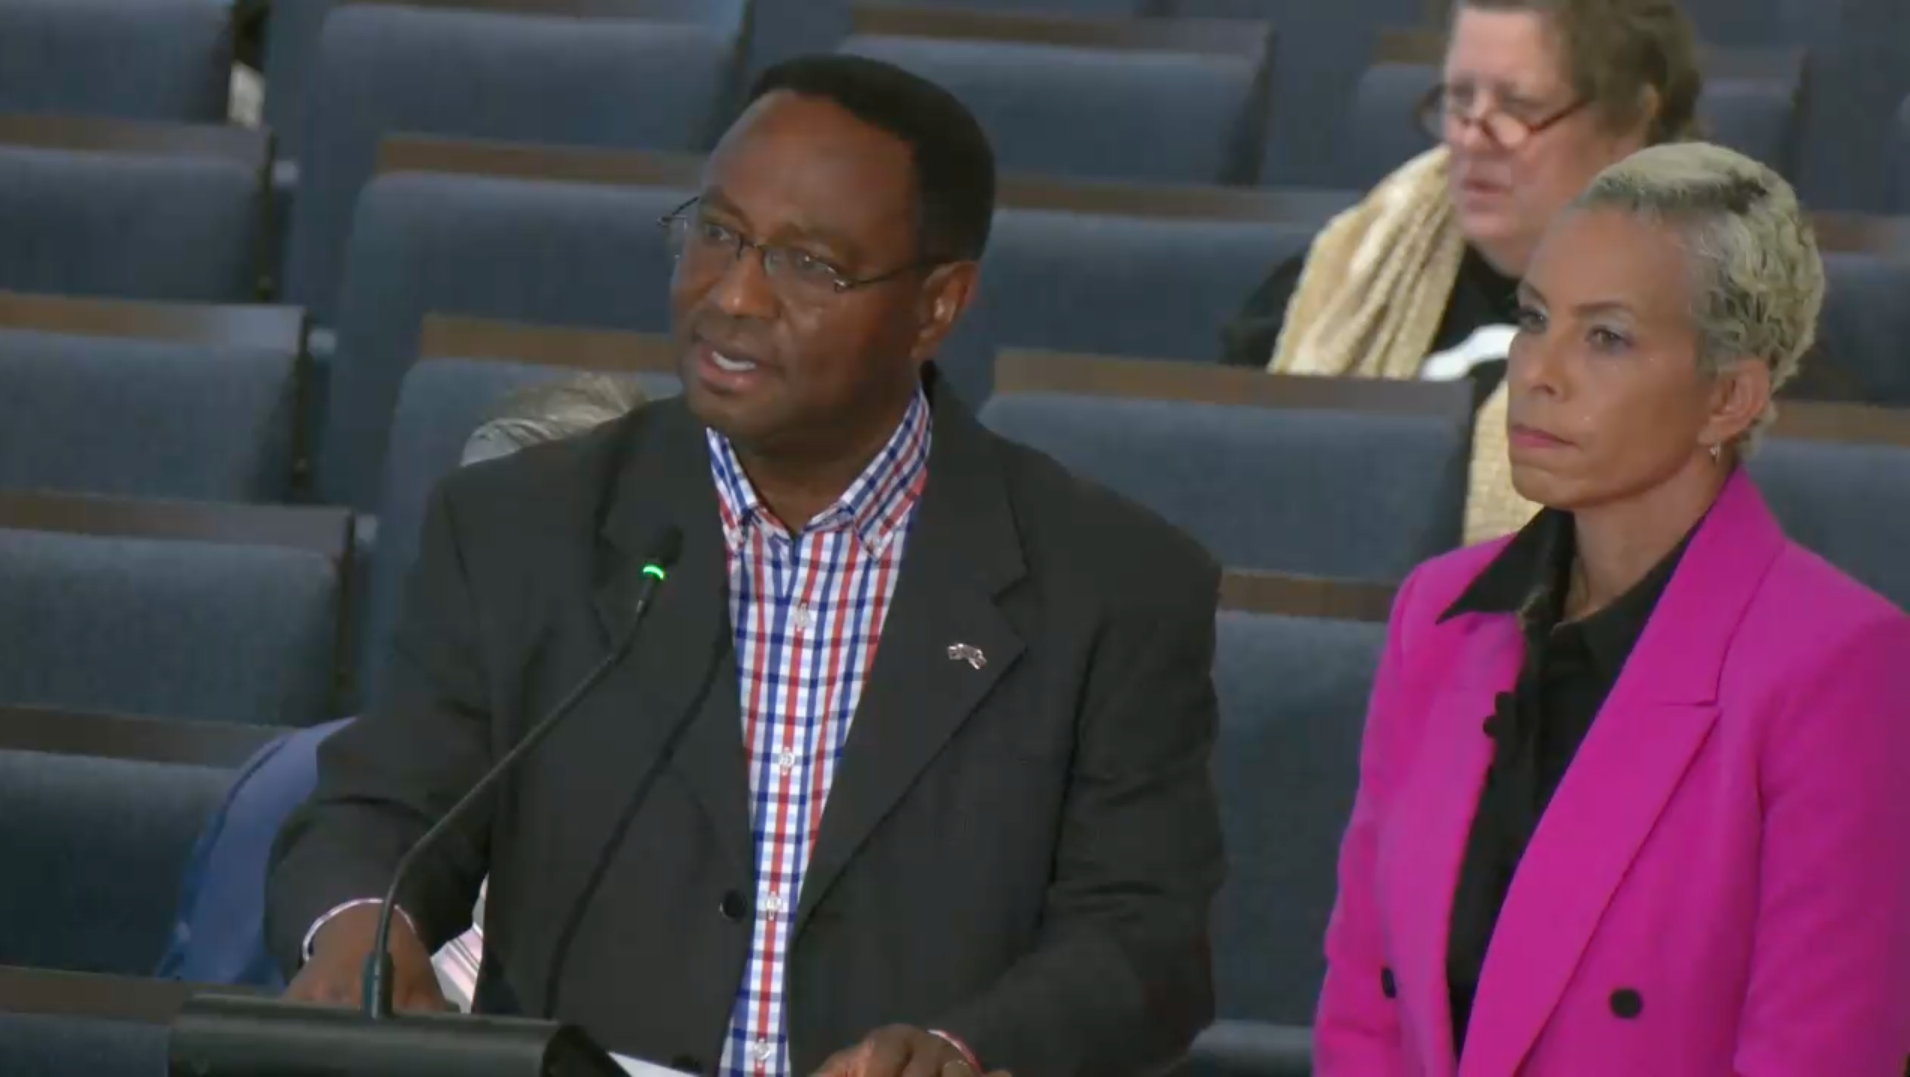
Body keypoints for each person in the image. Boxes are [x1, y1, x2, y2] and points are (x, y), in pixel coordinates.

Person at [266, 53, 1224, 1077]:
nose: (731, 297)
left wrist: (963, 1052)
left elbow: (1140, 943)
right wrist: (366, 922)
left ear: (936, 306)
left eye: (807, 265)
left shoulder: (1111, 585)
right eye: (717, 234)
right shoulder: (519, 527)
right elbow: (386, 811)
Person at [1314, 141, 1910, 1076]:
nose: (1538, 371)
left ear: (1729, 396)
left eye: (1607, 336)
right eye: (1535, 318)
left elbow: (1818, 1051)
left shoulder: (1841, 665)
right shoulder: (1439, 614)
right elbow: (1366, 1002)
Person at [1221, 0, 1701, 544]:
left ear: (1629, 123)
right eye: (1459, 100)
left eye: (1517, 107)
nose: (1470, 139)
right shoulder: (1353, 273)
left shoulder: (1717, 340)